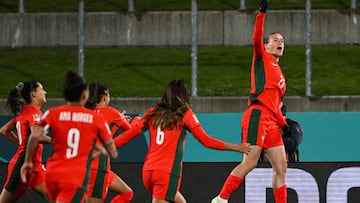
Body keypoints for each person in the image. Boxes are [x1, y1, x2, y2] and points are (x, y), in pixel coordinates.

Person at [113, 79, 252, 203]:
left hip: (148, 172)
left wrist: (108, 146)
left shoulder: (154, 112)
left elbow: (129, 134)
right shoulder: (185, 114)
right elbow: (206, 141)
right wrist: (236, 147)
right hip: (166, 173)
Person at [211, 0, 289, 202]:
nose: (280, 42)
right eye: (275, 39)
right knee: (250, 161)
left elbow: (275, 104)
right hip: (257, 115)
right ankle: (220, 199)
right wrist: (261, 14)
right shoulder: (261, 57)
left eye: (282, 40)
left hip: (271, 119)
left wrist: (283, 124)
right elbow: (255, 37)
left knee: (281, 166)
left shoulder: (279, 73)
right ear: (266, 45)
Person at [20, 70, 118, 203]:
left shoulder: (52, 113)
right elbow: (110, 148)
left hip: (52, 173)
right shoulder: (95, 118)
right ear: (84, 95)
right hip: (74, 175)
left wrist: (27, 161)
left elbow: (35, 135)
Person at [0, 81, 51, 203]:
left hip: (35, 168)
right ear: (33, 94)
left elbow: (4, 130)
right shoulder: (33, 112)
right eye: (42, 89)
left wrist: (22, 142)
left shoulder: (25, 112)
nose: (45, 92)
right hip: (22, 166)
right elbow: (36, 135)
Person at [85, 82, 133, 203]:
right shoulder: (111, 112)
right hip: (98, 168)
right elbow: (132, 130)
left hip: (87, 166)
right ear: (105, 96)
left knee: (127, 192)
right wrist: (122, 120)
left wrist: (116, 122)